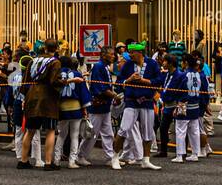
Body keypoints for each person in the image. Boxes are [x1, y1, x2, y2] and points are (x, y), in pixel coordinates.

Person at [116, 42, 162, 170]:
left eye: (132, 52)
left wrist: (145, 81)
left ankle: (146, 160)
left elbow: (159, 80)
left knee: (148, 133)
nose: (130, 55)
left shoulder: (152, 64)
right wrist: (129, 80)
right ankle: (115, 157)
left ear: (140, 53)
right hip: (131, 101)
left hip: (147, 101)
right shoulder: (128, 65)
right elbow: (119, 82)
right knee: (124, 129)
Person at [19, 40, 62, 171]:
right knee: (50, 130)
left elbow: (25, 81)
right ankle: (48, 162)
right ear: (57, 49)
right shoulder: (55, 62)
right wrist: (67, 81)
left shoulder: (33, 60)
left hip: (32, 95)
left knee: (30, 130)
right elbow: (54, 81)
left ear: (44, 48)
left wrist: (23, 98)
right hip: (47, 98)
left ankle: (23, 160)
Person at [79, 46, 120, 169]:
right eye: (111, 54)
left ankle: (110, 157)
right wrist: (114, 95)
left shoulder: (104, 67)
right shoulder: (98, 67)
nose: (114, 56)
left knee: (108, 133)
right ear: (104, 55)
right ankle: (80, 155)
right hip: (98, 106)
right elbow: (99, 88)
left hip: (104, 106)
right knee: (92, 132)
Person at [170, 53, 208, 163]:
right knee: (194, 130)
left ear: (186, 63)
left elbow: (178, 90)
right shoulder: (199, 75)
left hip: (184, 105)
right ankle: (195, 153)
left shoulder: (183, 75)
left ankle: (179, 155)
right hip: (195, 105)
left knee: (181, 130)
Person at [53, 55, 90, 168]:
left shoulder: (57, 75)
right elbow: (83, 93)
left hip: (62, 108)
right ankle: (71, 161)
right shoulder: (77, 74)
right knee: (74, 135)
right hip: (76, 108)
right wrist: (85, 109)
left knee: (61, 135)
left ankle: (56, 160)